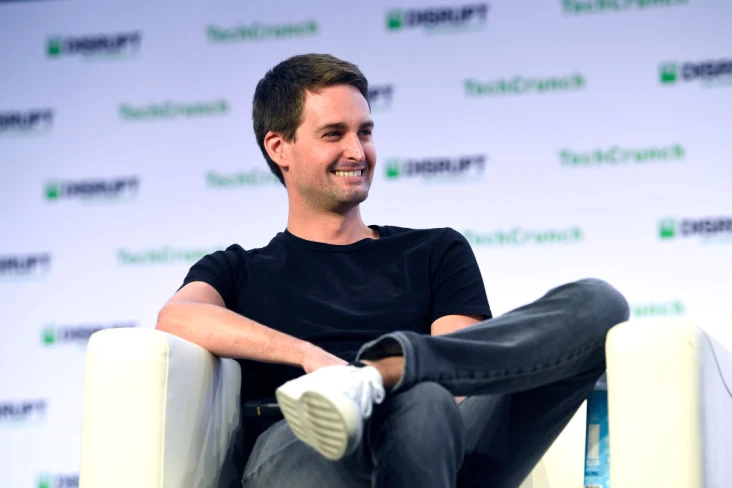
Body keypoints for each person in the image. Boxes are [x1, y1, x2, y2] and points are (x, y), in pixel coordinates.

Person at [155, 53, 629, 488]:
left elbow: (459, 383)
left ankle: (386, 370)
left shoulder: (435, 249)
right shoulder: (240, 268)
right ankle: (375, 380)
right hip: (302, 443)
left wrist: (386, 379)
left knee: (597, 303)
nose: (357, 151)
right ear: (280, 147)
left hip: (437, 438)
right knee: (414, 399)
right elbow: (177, 316)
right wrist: (310, 358)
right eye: (334, 134)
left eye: (364, 132)